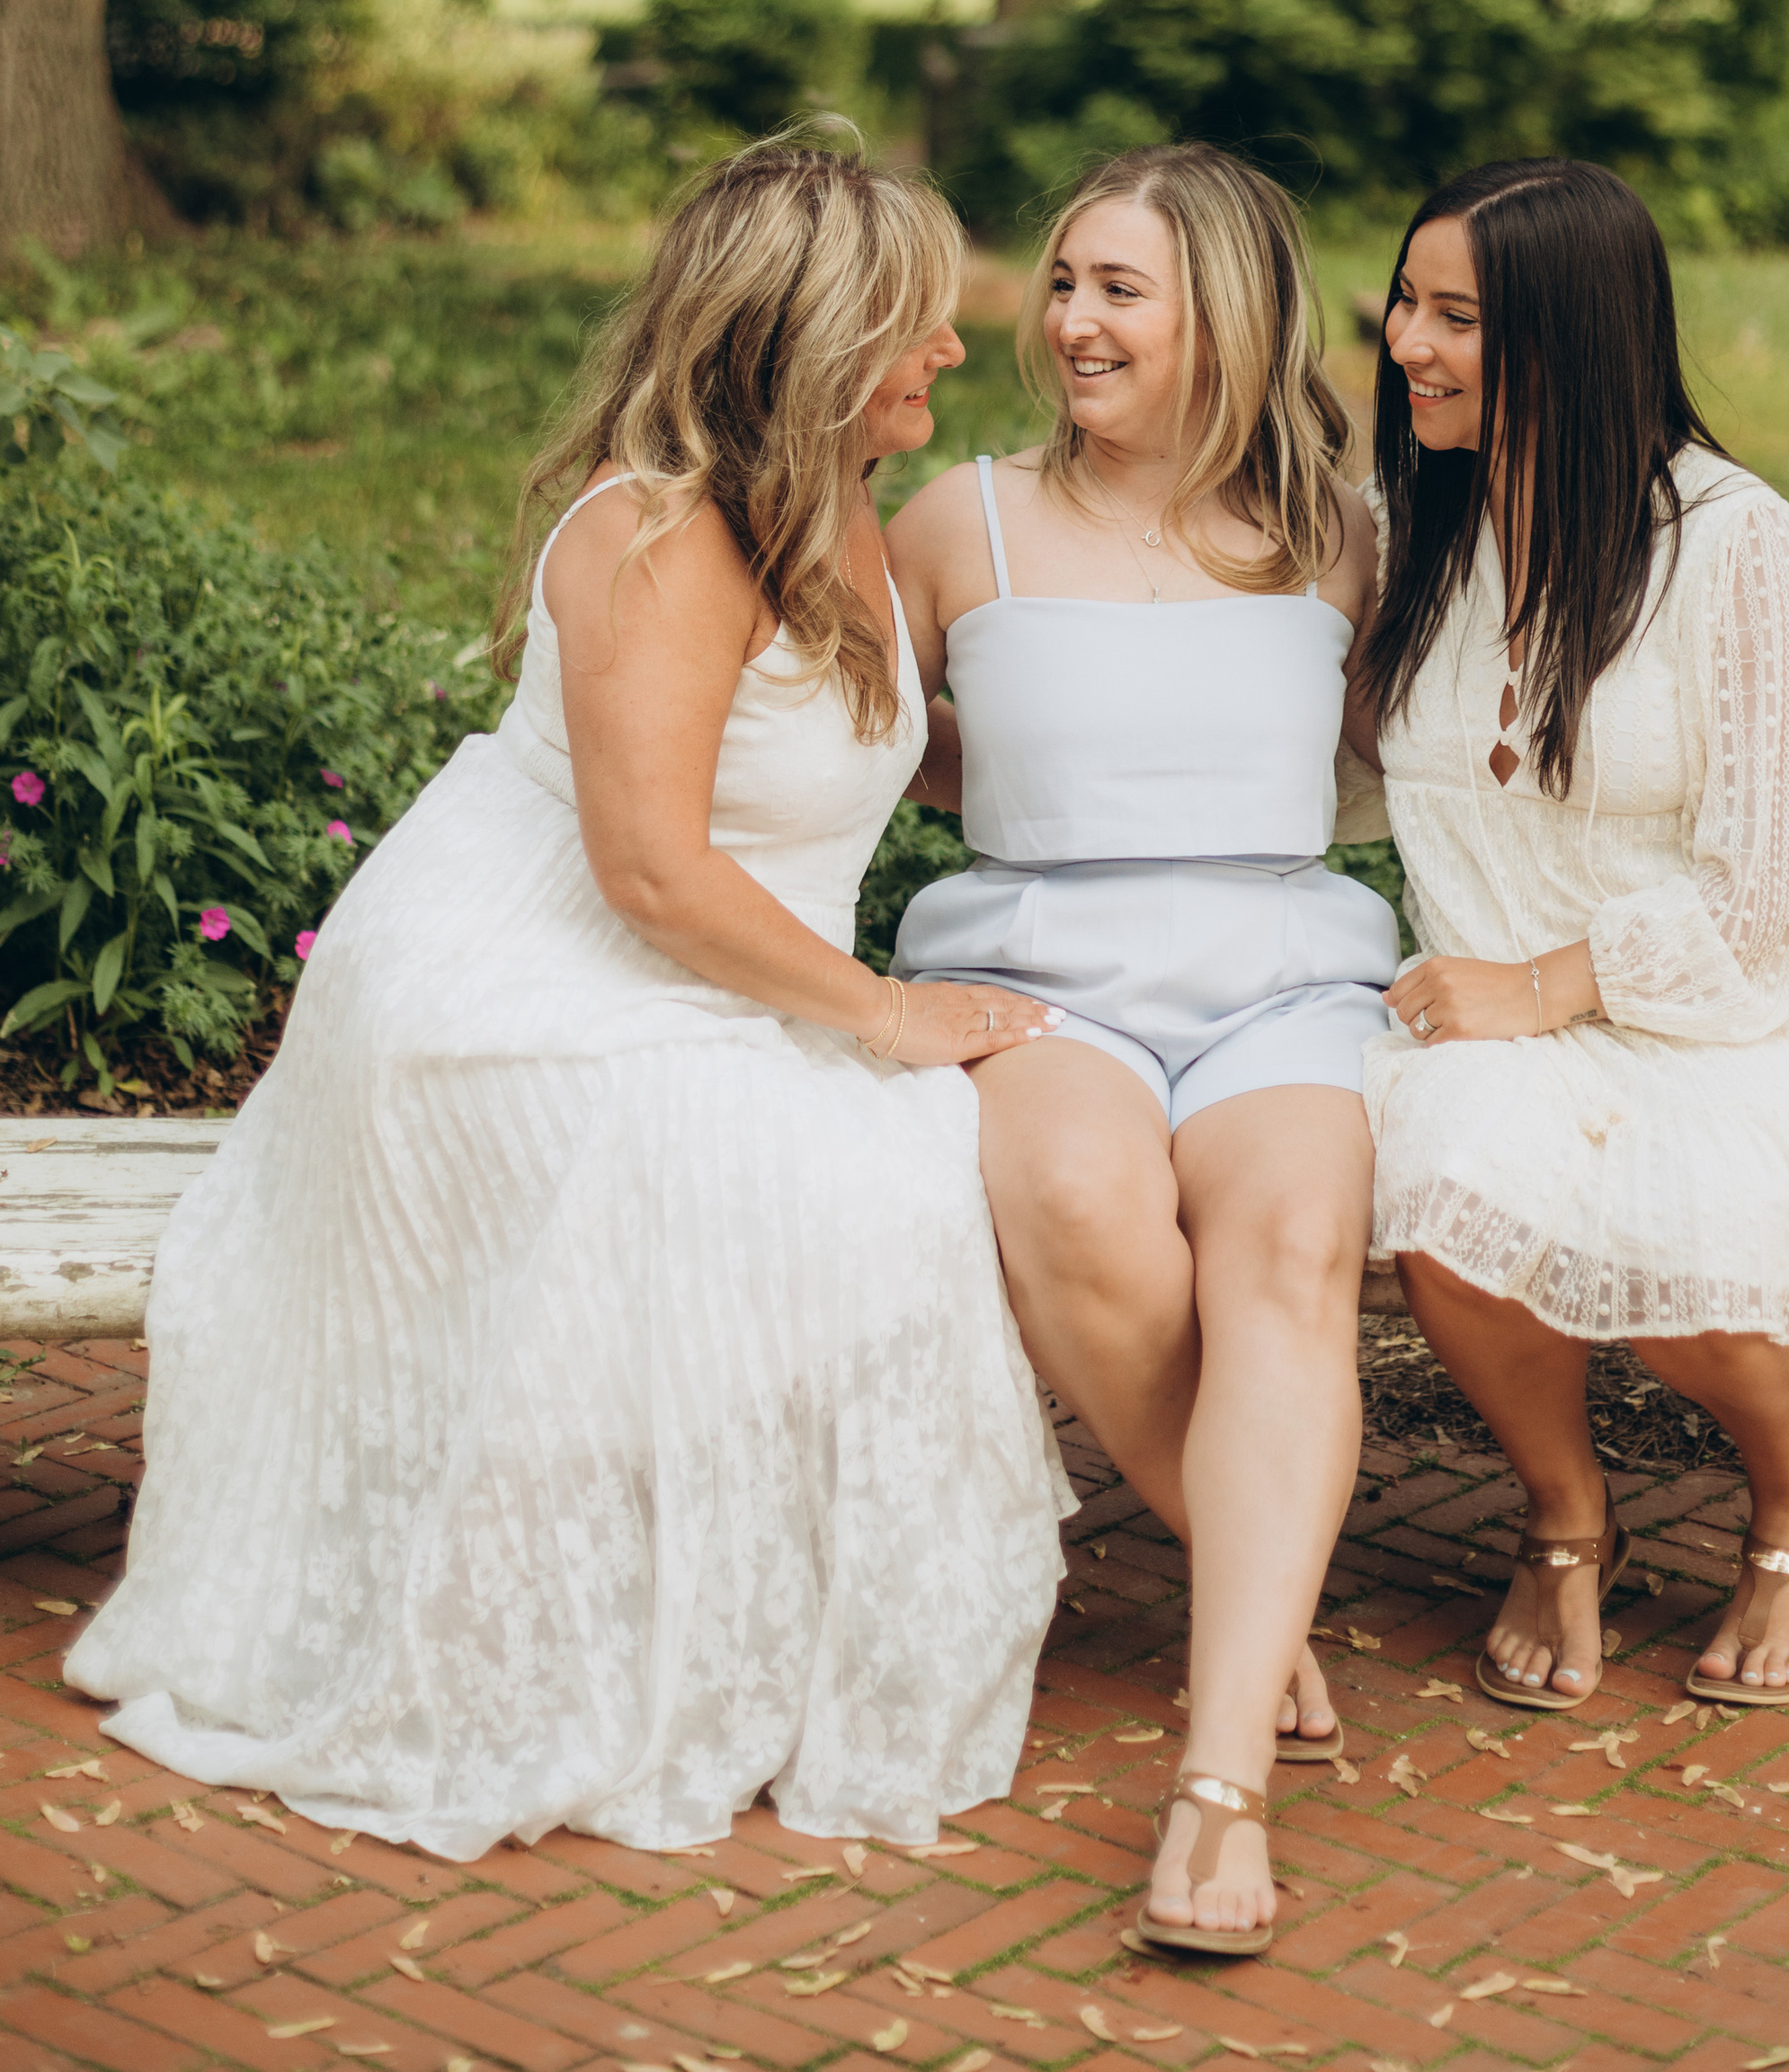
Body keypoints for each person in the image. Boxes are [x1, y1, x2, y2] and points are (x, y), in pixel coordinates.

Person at [70, 139, 1069, 1859]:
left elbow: (861, 756)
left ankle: (733, 1605)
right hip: (524, 979)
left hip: (718, 962)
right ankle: (594, 1633)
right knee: (794, 1174)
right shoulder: (660, 535)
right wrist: (888, 1017)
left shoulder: (849, 498)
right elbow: (654, 871)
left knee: (876, 1185)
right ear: (819, 339)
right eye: (919, 321)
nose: (956, 352)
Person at [1351, 158, 1789, 1715]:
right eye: (1407, 303)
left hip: (1747, 1009)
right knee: (1439, 1199)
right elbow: (1334, 753)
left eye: (1458, 320)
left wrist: (1546, 987)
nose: (1408, 347)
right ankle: (1566, 1512)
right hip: (1501, 1008)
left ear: (1573, 344)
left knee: (1705, 1229)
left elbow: (1781, 889)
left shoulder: (1738, 547)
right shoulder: (1416, 530)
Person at [886, 143, 1393, 1962]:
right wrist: (1022, 790)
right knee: (1087, 1208)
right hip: (1041, 970)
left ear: (1224, 322)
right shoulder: (962, 523)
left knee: (1287, 1255)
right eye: (1065, 279)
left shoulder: (1340, 530)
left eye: (1121, 290)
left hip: (1278, 969)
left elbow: (1376, 753)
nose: (1070, 320)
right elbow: (866, 736)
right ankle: (1265, 1602)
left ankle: (1213, 1787)